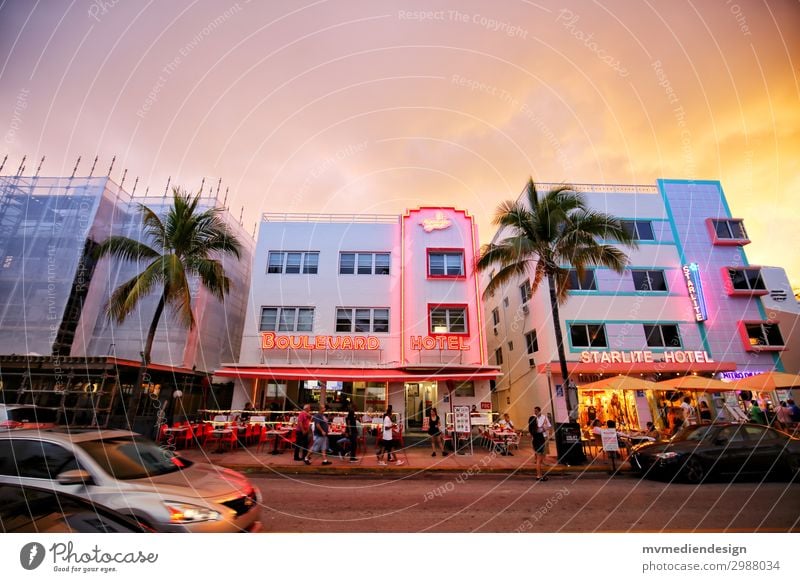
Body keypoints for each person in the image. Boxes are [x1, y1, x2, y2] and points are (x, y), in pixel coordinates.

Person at [528, 406, 552, 481]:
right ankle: (539, 475)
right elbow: (544, 428)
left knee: (539, 460)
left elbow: (544, 428)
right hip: (539, 443)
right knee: (539, 461)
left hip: (536, 443)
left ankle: (540, 474)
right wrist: (544, 426)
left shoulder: (533, 429)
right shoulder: (537, 430)